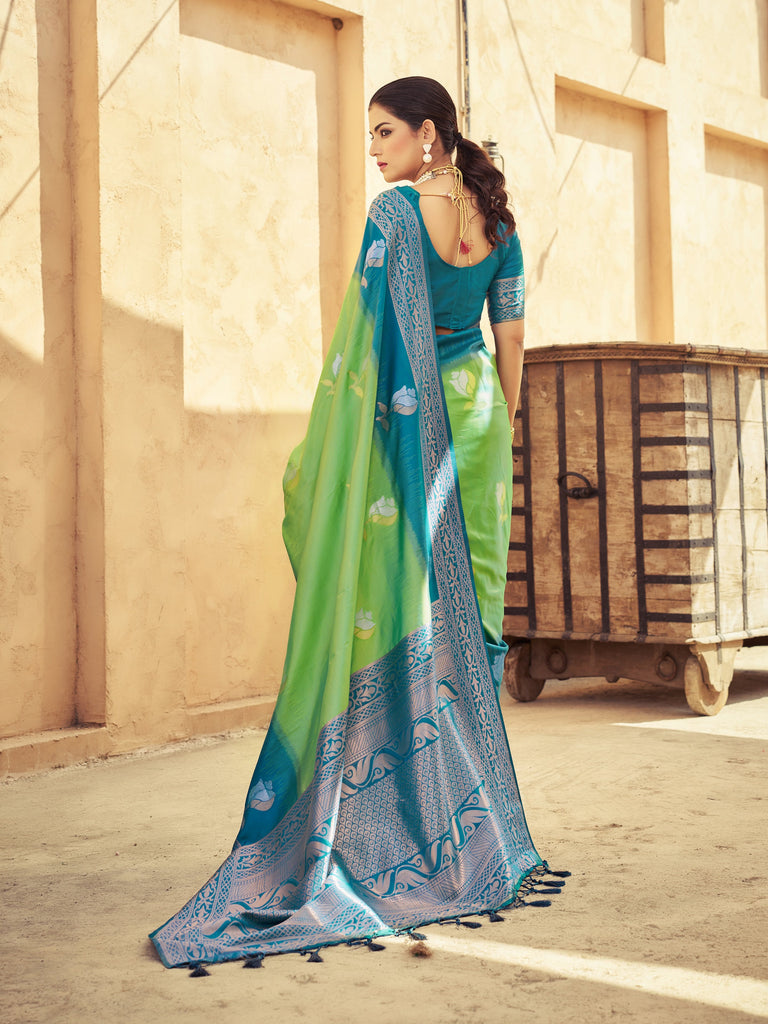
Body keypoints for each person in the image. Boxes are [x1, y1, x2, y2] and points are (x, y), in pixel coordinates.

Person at [150, 76, 563, 971]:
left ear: (428, 134)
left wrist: (341, 443)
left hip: (409, 428)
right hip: (478, 416)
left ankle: (386, 826)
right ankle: (473, 828)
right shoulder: (499, 219)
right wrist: (502, 420)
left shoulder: (396, 215)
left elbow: (363, 345)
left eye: (384, 132)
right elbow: (512, 340)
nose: (374, 150)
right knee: (467, 612)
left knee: (394, 600)